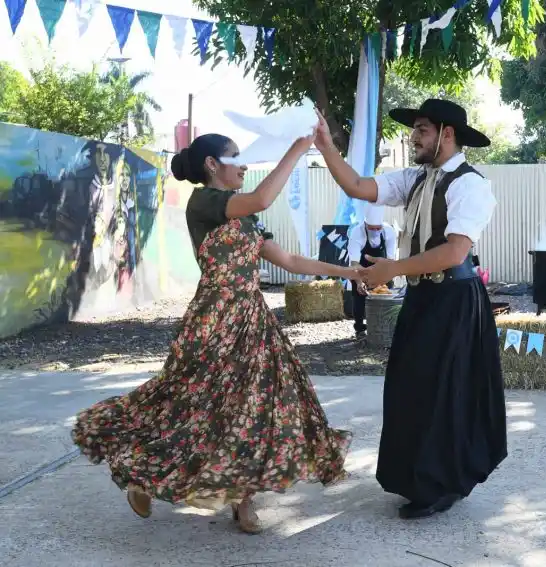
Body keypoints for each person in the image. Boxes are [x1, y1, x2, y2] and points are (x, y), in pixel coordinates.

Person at [71, 132, 355, 534]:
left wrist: (349, 272)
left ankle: (244, 500)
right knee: (190, 408)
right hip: (215, 321)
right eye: (234, 157)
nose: (242, 164)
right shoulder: (204, 202)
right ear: (211, 165)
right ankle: (140, 473)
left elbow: (289, 259)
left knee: (253, 410)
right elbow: (260, 197)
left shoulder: (245, 217)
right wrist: (297, 148)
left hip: (254, 321)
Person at [315, 99, 507, 519]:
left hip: (455, 300)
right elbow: (359, 187)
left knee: (444, 393)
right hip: (423, 297)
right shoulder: (417, 178)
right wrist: (327, 147)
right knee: (411, 389)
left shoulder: (470, 185)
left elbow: (455, 252)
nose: (413, 136)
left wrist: (393, 267)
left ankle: (442, 484)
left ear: (447, 134)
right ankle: (420, 479)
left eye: (421, 129)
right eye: (415, 129)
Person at [346, 203, 398, 338]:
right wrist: (358, 282)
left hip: (383, 268)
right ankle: (360, 329)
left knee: (386, 297)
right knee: (359, 297)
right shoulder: (357, 232)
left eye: (378, 228)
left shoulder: (389, 231)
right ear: (365, 224)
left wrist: (385, 278)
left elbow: (391, 261)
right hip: (360, 269)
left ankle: (384, 327)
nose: (375, 230)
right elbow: (354, 263)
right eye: (371, 228)